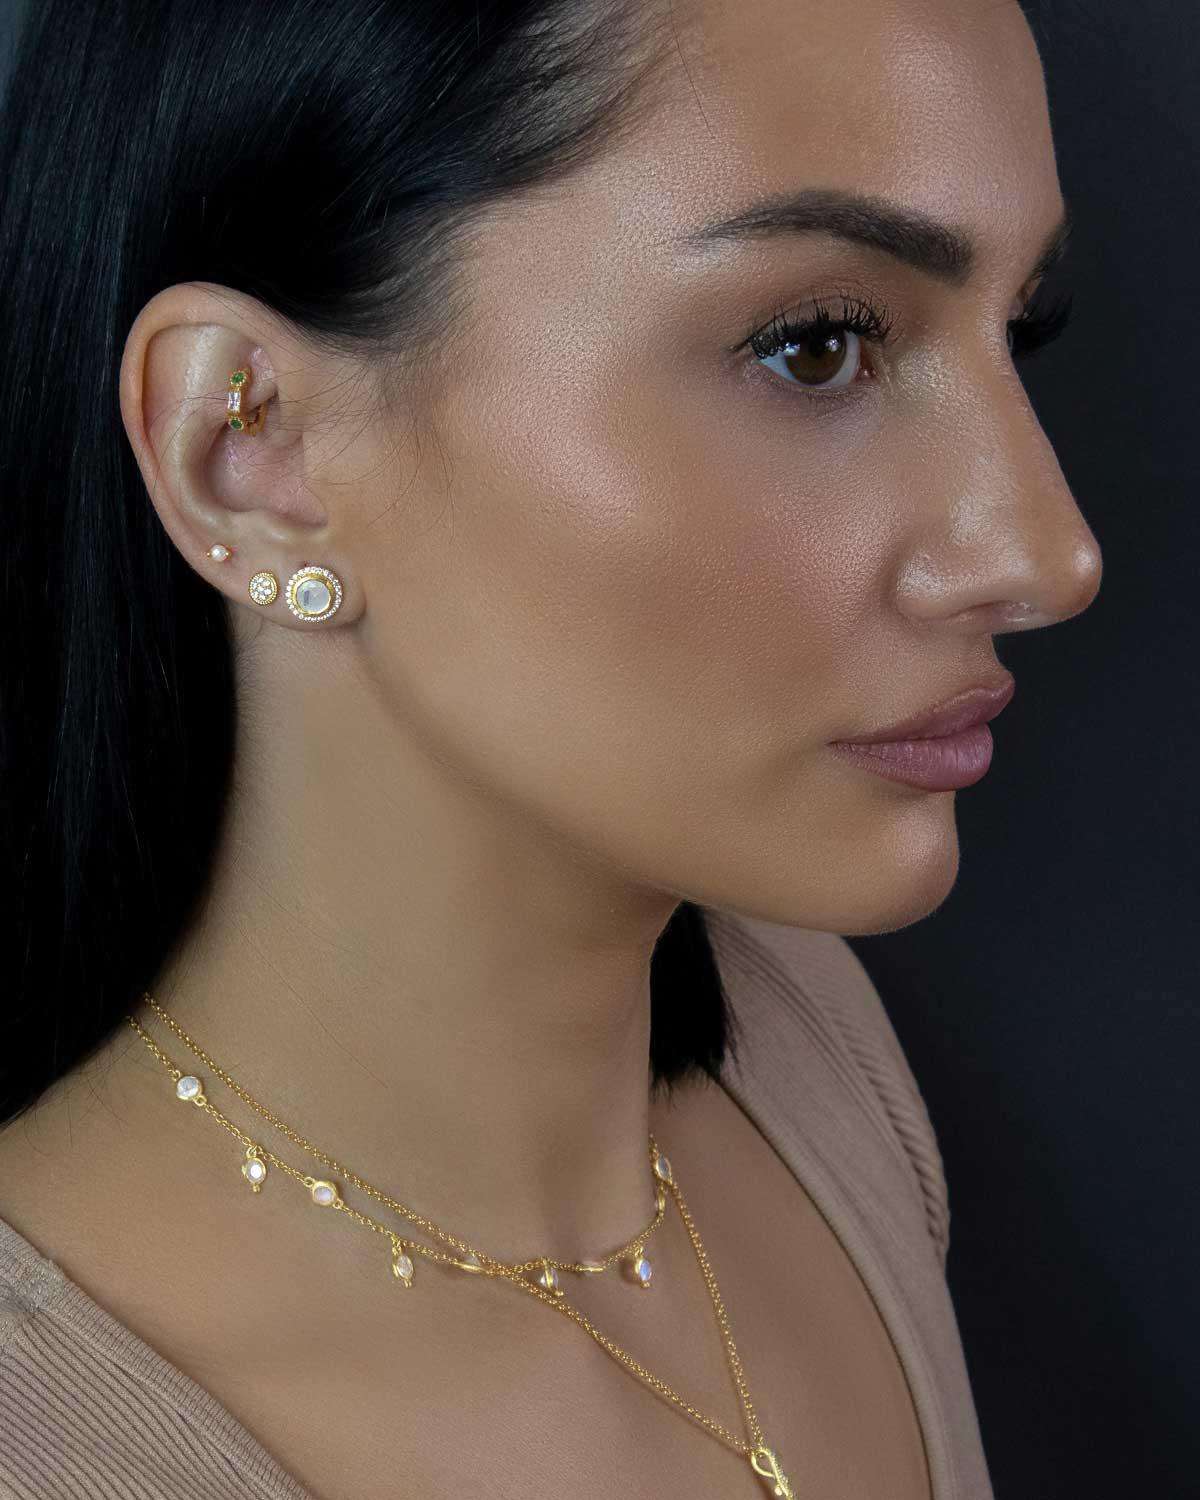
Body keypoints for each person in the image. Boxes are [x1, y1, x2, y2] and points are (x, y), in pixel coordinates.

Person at [0, 0, 1102, 1495]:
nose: (1045, 555)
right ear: (249, 447)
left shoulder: (816, 1066)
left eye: (1019, 325)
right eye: (818, 346)